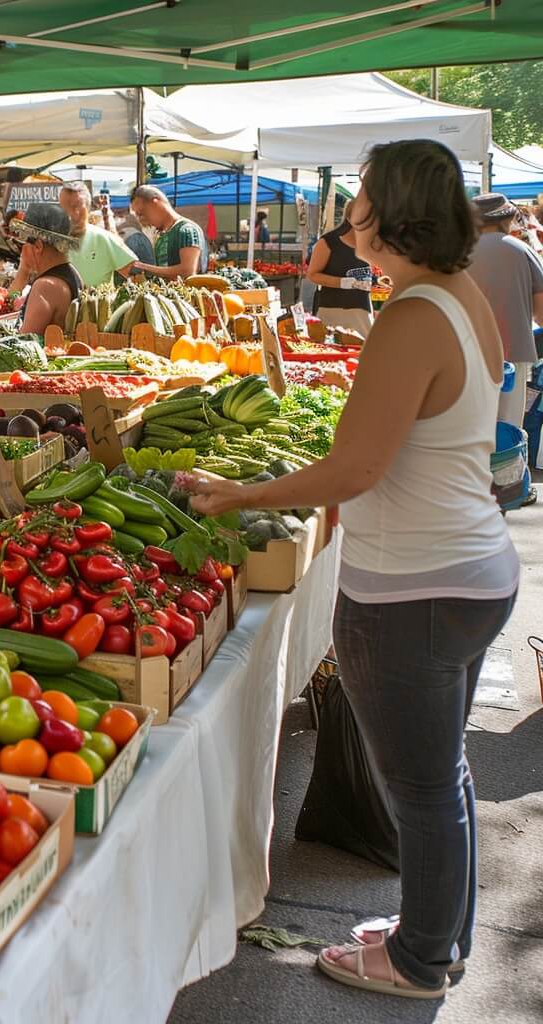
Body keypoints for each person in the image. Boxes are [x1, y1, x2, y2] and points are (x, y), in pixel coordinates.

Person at [185, 139, 518, 1001]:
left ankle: (419, 961)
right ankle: (436, 934)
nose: (348, 214)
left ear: (391, 212)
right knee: (441, 774)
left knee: (422, 785)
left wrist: (234, 494)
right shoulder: (459, 295)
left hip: (415, 588)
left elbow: (354, 467)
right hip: (467, 567)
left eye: (361, 198)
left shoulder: (412, 316)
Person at [467, 192, 543, 431]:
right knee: (508, 427)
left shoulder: (457, 253)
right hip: (514, 348)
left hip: (466, 350)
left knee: (471, 426)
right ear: (508, 219)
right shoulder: (524, 251)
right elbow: (541, 313)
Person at [9, 204, 82, 335]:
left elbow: (25, 342)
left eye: (23, 245)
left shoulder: (45, 286)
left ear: (37, 246)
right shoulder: (73, 273)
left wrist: (23, 271)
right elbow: (10, 300)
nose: (22, 252)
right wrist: (24, 271)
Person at [306, 200, 374, 339]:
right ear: (351, 219)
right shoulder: (328, 242)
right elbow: (312, 275)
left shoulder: (369, 243)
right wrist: (345, 283)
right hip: (334, 311)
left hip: (363, 312)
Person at [58, 181, 135, 287]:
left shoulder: (103, 239)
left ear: (88, 208)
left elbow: (138, 276)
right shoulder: (50, 241)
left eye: (76, 208)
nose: (69, 215)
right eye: (64, 208)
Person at [129, 184, 207, 282]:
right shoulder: (160, 236)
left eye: (142, 213)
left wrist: (144, 267)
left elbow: (187, 271)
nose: (141, 220)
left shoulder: (186, 230)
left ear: (155, 203)